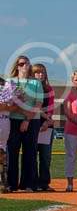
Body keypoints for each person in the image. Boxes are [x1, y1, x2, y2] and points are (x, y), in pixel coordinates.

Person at [6, 55, 42, 192]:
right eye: (21, 63)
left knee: (30, 152)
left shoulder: (36, 83)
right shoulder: (11, 82)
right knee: (12, 151)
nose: (25, 65)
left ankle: (29, 184)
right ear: (17, 66)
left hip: (32, 121)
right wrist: (22, 112)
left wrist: (27, 119)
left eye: (27, 63)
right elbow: (9, 103)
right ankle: (10, 184)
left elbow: (38, 103)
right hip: (14, 120)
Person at [32, 64, 56, 191]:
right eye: (37, 73)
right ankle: (33, 182)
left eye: (42, 73)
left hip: (47, 127)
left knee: (45, 156)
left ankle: (44, 183)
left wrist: (47, 122)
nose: (40, 75)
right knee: (32, 156)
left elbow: (51, 107)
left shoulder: (49, 89)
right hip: (33, 126)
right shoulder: (30, 89)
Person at [61, 70, 77, 191]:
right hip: (72, 130)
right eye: (76, 79)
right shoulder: (69, 94)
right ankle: (70, 183)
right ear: (72, 81)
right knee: (71, 156)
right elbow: (67, 112)